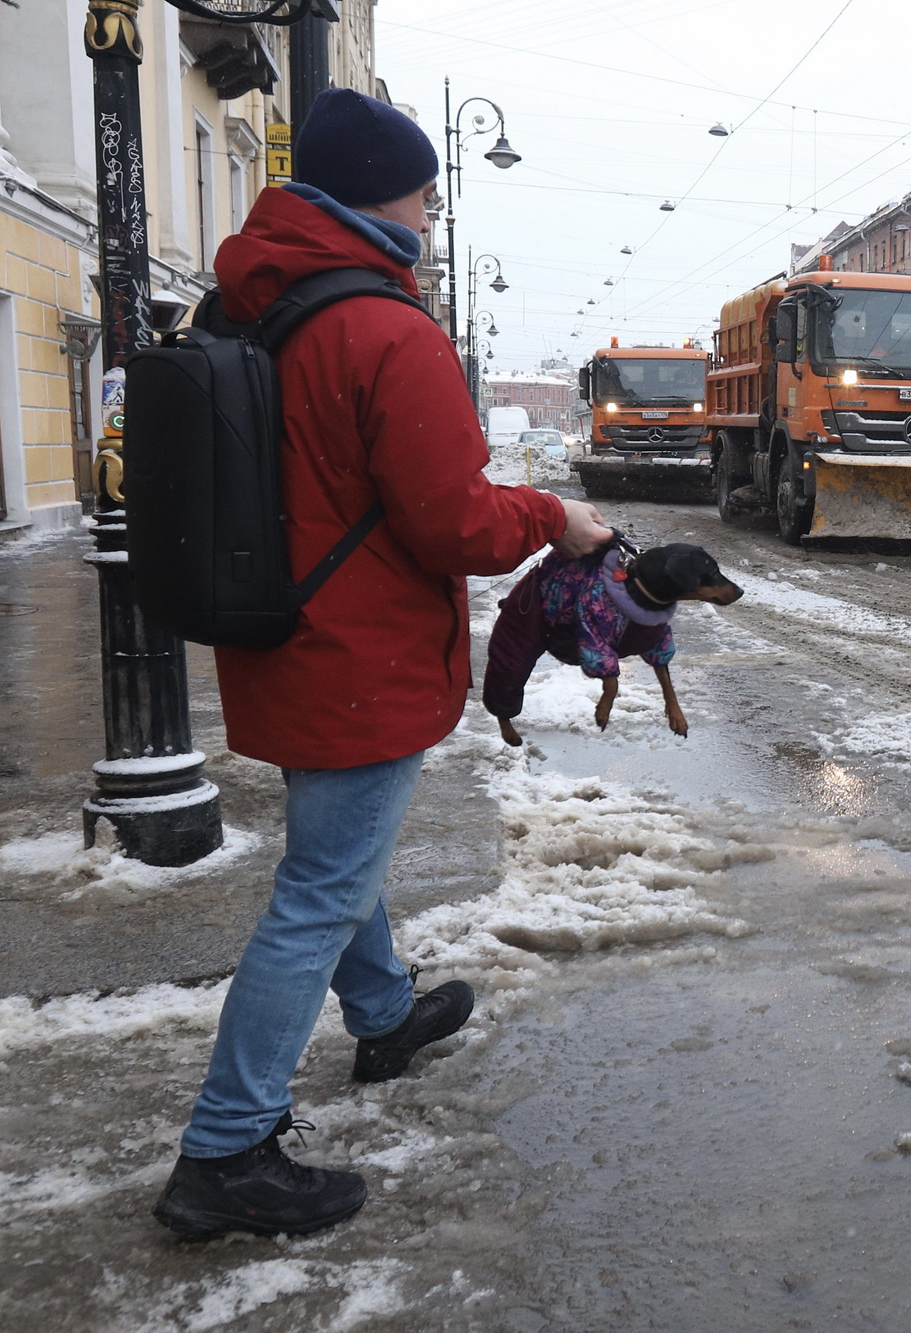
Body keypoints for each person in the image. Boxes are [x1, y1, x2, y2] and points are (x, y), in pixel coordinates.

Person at [151, 89, 613, 1240]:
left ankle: (386, 1013)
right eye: (422, 187)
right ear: (382, 194)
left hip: (290, 635)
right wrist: (553, 515)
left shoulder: (257, 301)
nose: (430, 204)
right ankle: (225, 1149)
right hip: (360, 649)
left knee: (334, 861)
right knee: (316, 891)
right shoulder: (385, 328)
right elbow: (454, 522)